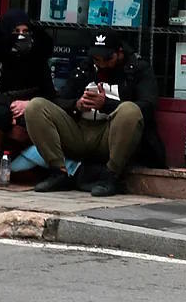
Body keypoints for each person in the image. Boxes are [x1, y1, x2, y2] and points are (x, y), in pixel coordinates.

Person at [25, 29, 165, 196]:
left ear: (119, 53)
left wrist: (106, 104)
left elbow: (147, 106)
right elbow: (59, 99)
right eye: (97, 58)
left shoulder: (138, 68)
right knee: (35, 106)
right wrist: (76, 105)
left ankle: (111, 176)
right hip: (79, 132)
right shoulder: (85, 68)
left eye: (107, 58)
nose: (101, 63)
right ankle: (59, 172)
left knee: (129, 110)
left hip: (111, 137)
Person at [0, 9, 56, 185]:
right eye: (16, 32)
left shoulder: (37, 55)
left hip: (27, 107)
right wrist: (11, 104)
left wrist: (29, 105)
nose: (21, 36)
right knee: (0, 114)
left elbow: (49, 93)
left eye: (25, 32)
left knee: (24, 120)